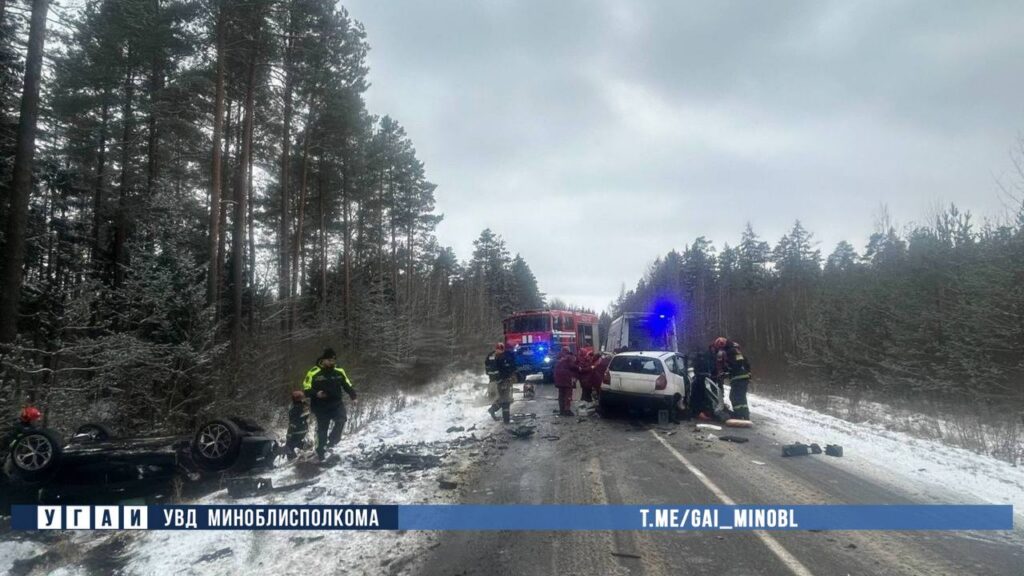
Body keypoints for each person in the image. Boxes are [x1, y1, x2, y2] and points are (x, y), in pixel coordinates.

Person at [302, 348, 357, 460]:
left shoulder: (339, 371)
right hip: (320, 405)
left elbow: (347, 384)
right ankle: (321, 452)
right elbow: (306, 389)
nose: (332, 363)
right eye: (329, 360)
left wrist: (353, 396)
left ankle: (332, 442)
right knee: (322, 430)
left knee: (341, 419)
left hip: (336, 403)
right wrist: (316, 393)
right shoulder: (313, 372)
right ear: (323, 360)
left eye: (333, 360)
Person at [711, 337, 752, 420]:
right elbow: (745, 363)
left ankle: (738, 415)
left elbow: (736, 364)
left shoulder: (731, 351)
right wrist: (748, 374)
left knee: (734, 396)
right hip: (743, 377)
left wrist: (728, 371)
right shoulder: (736, 350)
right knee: (741, 397)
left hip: (738, 377)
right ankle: (745, 415)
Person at [487, 343, 516, 422]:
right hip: (503, 381)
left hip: (495, 381)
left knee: (503, 398)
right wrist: (509, 376)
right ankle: (506, 419)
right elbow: (507, 368)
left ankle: (493, 409)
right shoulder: (503, 357)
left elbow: (488, 369)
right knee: (506, 399)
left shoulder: (491, 356)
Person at [283, 391, 310, 460]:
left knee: (289, 445)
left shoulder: (295, 408)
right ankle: (306, 446)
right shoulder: (305, 406)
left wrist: (289, 433)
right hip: (304, 428)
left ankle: (292, 459)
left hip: (297, 430)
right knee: (296, 441)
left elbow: (293, 422)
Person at [554, 348, 579, 416]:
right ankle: (567, 410)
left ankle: (561, 410)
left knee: (561, 395)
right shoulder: (569, 357)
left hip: (558, 379)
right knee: (568, 394)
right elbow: (572, 366)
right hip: (566, 378)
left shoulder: (558, 357)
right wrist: (578, 368)